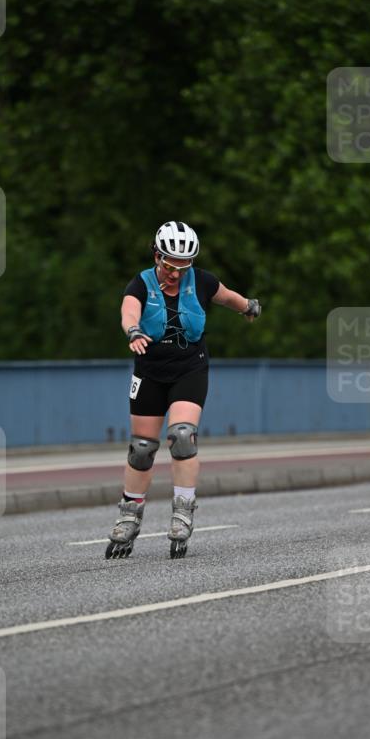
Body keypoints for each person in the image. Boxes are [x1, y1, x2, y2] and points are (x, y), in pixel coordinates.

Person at [106, 220, 261, 558]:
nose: (175, 273)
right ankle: (129, 517)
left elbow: (228, 297)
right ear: (156, 256)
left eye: (183, 266)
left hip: (190, 369)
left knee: (182, 436)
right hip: (149, 373)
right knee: (142, 448)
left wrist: (248, 306)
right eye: (169, 265)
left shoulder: (202, 281)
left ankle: (183, 512)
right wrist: (133, 330)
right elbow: (128, 311)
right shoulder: (141, 284)